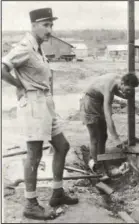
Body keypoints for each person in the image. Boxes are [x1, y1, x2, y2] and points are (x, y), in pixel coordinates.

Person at [1, 8, 78, 220]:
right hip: (33, 104)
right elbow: (2, 67)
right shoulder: (24, 47)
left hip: (45, 103)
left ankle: (57, 192)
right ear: (33, 25)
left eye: (51, 24)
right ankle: (30, 203)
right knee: (34, 153)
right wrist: (19, 86)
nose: (49, 29)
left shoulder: (38, 48)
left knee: (62, 146)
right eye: (45, 24)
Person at [80, 73, 139, 177]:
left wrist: (126, 94)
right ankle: (97, 167)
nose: (129, 92)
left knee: (103, 136)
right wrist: (116, 138)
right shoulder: (109, 88)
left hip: (99, 100)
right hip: (89, 102)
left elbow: (119, 91)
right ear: (122, 83)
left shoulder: (118, 81)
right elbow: (108, 117)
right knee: (95, 138)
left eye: (131, 90)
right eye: (128, 89)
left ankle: (102, 161)